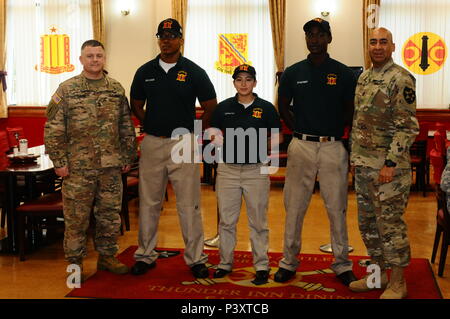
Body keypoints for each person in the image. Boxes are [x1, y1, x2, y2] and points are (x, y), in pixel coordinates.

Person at [129, 18, 217, 278]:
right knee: (149, 202)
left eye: (171, 35)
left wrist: (194, 134)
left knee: (189, 204)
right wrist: (152, 124)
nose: (166, 40)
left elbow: (211, 106)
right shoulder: (145, 71)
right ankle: (145, 254)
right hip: (153, 143)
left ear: (180, 39)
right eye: (162, 35)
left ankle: (196, 258)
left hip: (184, 142)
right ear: (158, 39)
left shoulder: (194, 71)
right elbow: (135, 104)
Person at [44, 40, 137, 280]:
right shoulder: (67, 89)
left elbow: (125, 125)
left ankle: (107, 257)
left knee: (109, 215)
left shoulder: (116, 89)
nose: (94, 60)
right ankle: (74, 265)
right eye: (90, 56)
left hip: (110, 167)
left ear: (104, 58)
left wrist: (127, 155)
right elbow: (53, 128)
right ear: (81, 59)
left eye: (98, 55)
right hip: (77, 169)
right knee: (76, 219)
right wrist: (59, 161)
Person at [274, 18, 357, 286]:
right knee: (295, 206)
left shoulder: (343, 73)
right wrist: (299, 128)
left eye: (320, 34)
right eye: (310, 34)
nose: (314, 39)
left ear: (329, 38)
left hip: (333, 146)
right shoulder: (293, 72)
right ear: (306, 39)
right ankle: (288, 261)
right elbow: (283, 106)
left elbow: (350, 111)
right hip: (301, 146)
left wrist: (333, 129)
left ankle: (342, 263)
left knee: (337, 207)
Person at [349, 27, 419, 299]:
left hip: (389, 169)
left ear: (392, 46)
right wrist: (356, 160)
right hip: (365, 166)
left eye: (383, 42)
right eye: (373, 42)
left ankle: (398, 283)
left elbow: (407, 127)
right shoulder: (365, 78)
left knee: (389, 226)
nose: (377, 46)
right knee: (368, 226)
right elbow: (360, 122)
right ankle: (377, 278)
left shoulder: (400, 78)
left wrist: (390, 163)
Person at [208, 64, 282, 285]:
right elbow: (213, 132)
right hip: (228, 170)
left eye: (248, 79)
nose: (243, 83)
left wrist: (263, 147)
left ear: (255, 83)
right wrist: (218, 141)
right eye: (239, 79)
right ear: (234, 83)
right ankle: (225, 263)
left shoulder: (266, 108)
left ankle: (261, 265)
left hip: (255, 170)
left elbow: (278, 137)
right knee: (227, 221)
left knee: (258, 221)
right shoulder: (223, 108)